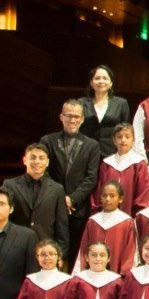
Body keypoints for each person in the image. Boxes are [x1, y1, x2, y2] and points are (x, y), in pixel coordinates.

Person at [42, 100, 104, 259]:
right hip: (52, 205)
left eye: (77, 117)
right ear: (61, 117)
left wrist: (72, 199)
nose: (72, 120)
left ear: (82, 119)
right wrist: (59, 198)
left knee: (76, 252)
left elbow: (91, 178)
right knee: (51, 251)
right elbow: (45, 172)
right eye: (68, 116)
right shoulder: (47, 141)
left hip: (78, 208)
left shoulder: (92, 145)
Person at [3, 143, 71, 255]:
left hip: (45, 252)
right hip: (15, 248)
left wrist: (61, 253)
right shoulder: (9, 185)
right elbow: (5, 218)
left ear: (47, 162)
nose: (37, 161)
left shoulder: (57, 189)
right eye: (33, 157)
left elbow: (61, 225)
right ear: (24, 160)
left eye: (41, 158)